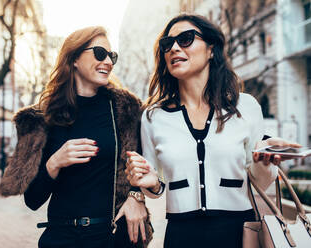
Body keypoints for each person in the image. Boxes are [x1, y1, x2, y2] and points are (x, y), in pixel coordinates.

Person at [124, 14, 301, 248]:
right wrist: (151, 184)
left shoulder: (245, 107)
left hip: (238, 233)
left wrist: (265, 160)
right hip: (180, 235)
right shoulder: (153, 116)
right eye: (168, 44)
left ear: (210, 49)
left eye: (186, 39)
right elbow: (155, 189)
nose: (174, 48)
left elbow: (259, 181)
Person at [0, 26, 152, 248]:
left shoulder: (125, 110)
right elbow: (32, 201)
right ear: (74, 59)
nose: (108, 61)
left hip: (111, 237)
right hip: (61, 239)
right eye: (100, 53)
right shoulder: (41, 118)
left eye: (112, 56)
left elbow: (142, 166)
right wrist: (54, 162)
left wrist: (135, 197)